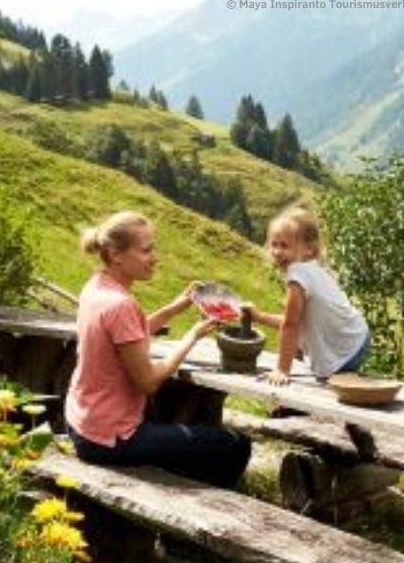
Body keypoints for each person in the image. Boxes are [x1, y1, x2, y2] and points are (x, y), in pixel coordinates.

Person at [64, 211, 252, 488]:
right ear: (116, 254)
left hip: (82, 423)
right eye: (146, 250)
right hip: (110, 438)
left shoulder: (96, 288)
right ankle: (203, 514)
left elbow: (128, 335)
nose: (155, 257)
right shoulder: (120, 305)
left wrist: (175, 308)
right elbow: (149, 382)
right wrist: (192, 336)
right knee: (236, 445)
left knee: (186, 435)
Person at [244, 207, 371, 386]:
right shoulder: (314, 269)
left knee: (320, 384)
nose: (278, 252)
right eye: (275, 244)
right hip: (356, 338)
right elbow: (298, 321)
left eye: (285, 246)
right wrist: (259, 317)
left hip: (345, 350)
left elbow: (291, 326)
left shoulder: (298, 275)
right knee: (311, 367)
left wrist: (282, 370)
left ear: (309, 249)